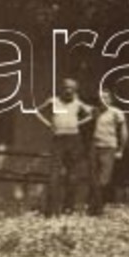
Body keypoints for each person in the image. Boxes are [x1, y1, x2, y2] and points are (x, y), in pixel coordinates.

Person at [35, 78, 93, 215]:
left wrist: (78, 123)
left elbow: (92, 114)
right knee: (54, 174)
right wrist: (49, 124)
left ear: (75, 90)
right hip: (58, 139)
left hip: (74, 139)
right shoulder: (54, 101)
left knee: (73, 175)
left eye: (72, 88)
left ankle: (68, 208)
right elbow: (37, 111)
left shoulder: (78, 103)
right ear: (62, 88)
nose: (68, 90)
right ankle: (51, 210)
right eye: (66, 87)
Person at [87, 86, 128, 215]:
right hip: (94, 147)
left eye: (106, 97)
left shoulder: (117, 112)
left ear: (111, 99)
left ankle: (97, 207)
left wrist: (121, 149)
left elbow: (124, 132)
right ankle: (95, 208)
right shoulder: (95, 111)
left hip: (109, 147)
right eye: (101, 97)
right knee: (93, 178)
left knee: (104, 179)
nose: (103, 99)